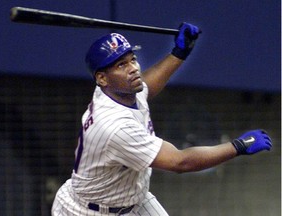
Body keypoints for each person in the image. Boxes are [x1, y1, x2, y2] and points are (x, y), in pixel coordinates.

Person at [51, 23, 272, 216]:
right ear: (101, 78)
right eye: (121, 65)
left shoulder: (118, 90)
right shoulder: (115, 126)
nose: (133, 69)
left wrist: (179, 53)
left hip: (130, 200)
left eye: (132, 59)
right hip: (88, 211)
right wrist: (238, 146)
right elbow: (180, 162)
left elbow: (146, 87)